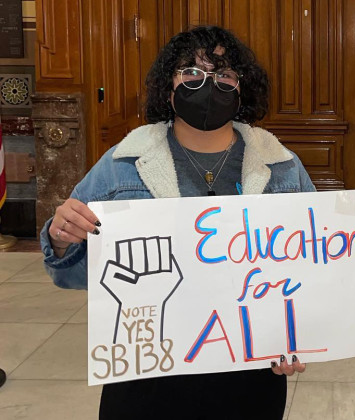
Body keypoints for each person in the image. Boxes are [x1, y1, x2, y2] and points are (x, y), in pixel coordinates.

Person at [40, 26, 311, 419]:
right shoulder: (122, 165)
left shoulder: (282, 167)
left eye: (223, 75)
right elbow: (71, 273)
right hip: (147, 372)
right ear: (168, 89)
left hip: (249, 370)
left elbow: (311, 273)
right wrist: (62, 238)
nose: (208, 85)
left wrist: (301, 337)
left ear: (241, 90)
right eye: (191, 72)